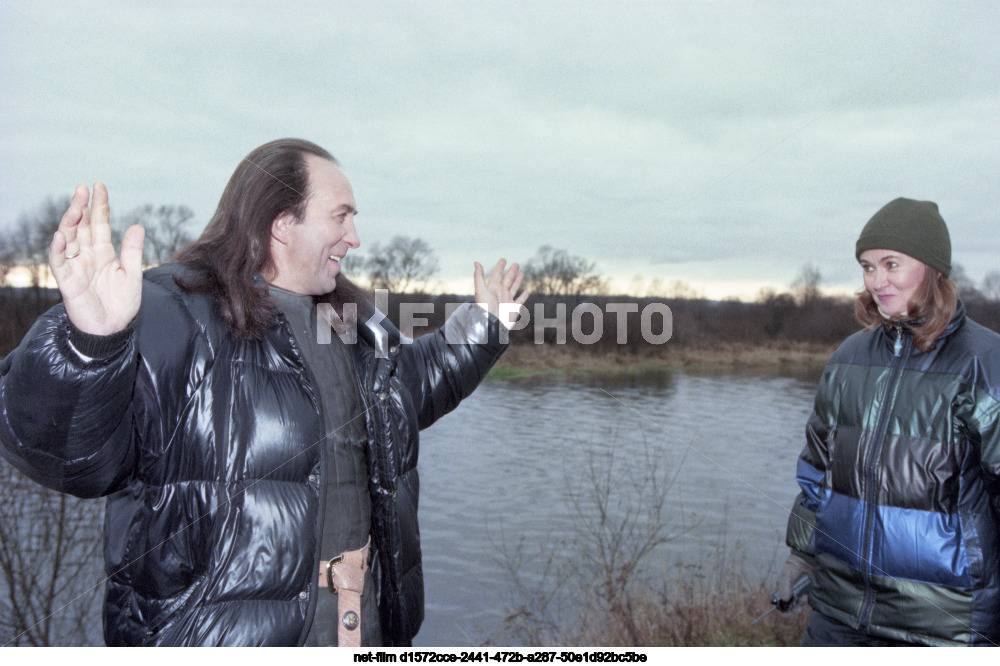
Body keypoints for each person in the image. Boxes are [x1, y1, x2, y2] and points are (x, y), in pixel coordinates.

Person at [0, 138, 528, 647]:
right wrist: (90, 346)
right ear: (281, 224)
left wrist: (484, 326)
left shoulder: (351, 327)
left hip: (357, 633)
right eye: (341, 216)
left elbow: (415, 387)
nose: (355, 238)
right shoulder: (173, 314)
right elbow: (63, 453)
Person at [775, 197, 1000, 646]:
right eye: (867, 266)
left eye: (891, 264)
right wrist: (801, 555)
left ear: (933, 269)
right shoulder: (848, 358)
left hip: (943, 626)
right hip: (837, 616)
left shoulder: (985, 362)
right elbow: (817, 475)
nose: (877, 281)